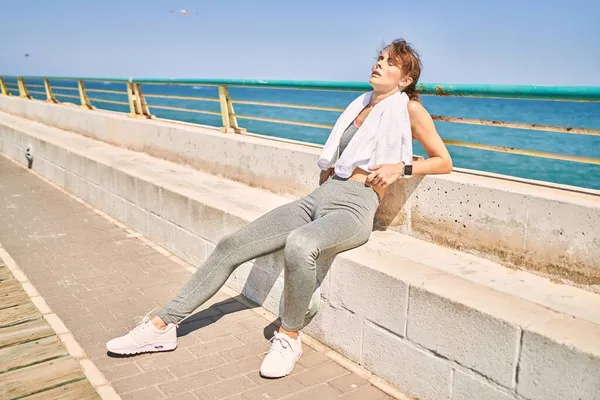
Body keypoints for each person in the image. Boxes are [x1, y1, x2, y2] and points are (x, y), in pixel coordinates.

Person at [106, 38, 452, 379]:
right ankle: (162, 325)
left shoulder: (409, 108)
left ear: (405, 80)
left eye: (391, 62)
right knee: (232, 245)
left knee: (301, 243)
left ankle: (288, 337)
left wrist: (401, 168)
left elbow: (443, 161)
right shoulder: (360, 103)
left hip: (356, 205)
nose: (380, 63)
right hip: (320, 196)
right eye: (380, 57)